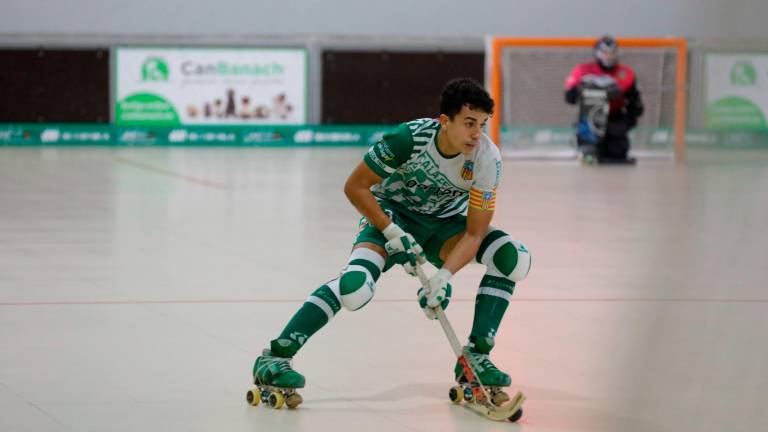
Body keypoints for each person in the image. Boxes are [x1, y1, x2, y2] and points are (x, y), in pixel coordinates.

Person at [252, 78, 532, 406]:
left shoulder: (487, 158)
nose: (477, 133)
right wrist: (391, 231)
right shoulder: (409, 138)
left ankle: (477, 358)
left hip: (444, 226)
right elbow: (355, 187)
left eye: (483, 125)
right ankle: (275, 357)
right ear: (445, 121)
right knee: (356, 289)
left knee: (513, 258)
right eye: (469, 123)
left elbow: (474, 232)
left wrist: (442, 279)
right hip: (390, 215)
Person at [564, 36, 644, 164]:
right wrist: (585, 90)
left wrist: (627, 122)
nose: (608, 56)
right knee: (590, 153)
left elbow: (636, 104)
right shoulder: (583, 71)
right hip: (591, 118)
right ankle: (586, 145)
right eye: (604, 52)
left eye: (611, 53)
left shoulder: (626, 74)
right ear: (596, 53)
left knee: (617, 152)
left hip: (615, 119)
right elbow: (569, 97)